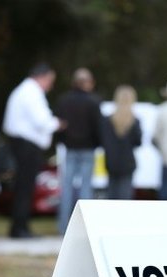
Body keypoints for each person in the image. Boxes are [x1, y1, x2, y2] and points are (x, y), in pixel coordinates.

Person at [2, 62, 63, 238]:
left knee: (24, 186)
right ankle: (20, 227)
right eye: (50, 80)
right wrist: (57, 123)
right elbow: (42, 121)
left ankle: (20, 225)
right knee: (25, 187)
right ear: (41, 77)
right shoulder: (31, 92)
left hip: (23, 144)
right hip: (26, 146)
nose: (51, 85)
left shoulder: (24, 91)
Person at [56, 68, 101, 234]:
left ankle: (63, 226)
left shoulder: (64, 101)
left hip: (70, 148)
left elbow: (59, 126)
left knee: (67, 187)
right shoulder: (93, 102)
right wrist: (97, 143)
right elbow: (98, 127)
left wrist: (64, 142)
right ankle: (84, 227)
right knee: (86, 188)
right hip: (88, 148)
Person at [101, 85, 142, 200]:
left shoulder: (107, 120)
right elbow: (138, 142)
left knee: (111, 195)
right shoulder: (134, 121)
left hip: (111, 162)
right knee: (125, 196)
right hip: (127, 162)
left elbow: (103, 141)